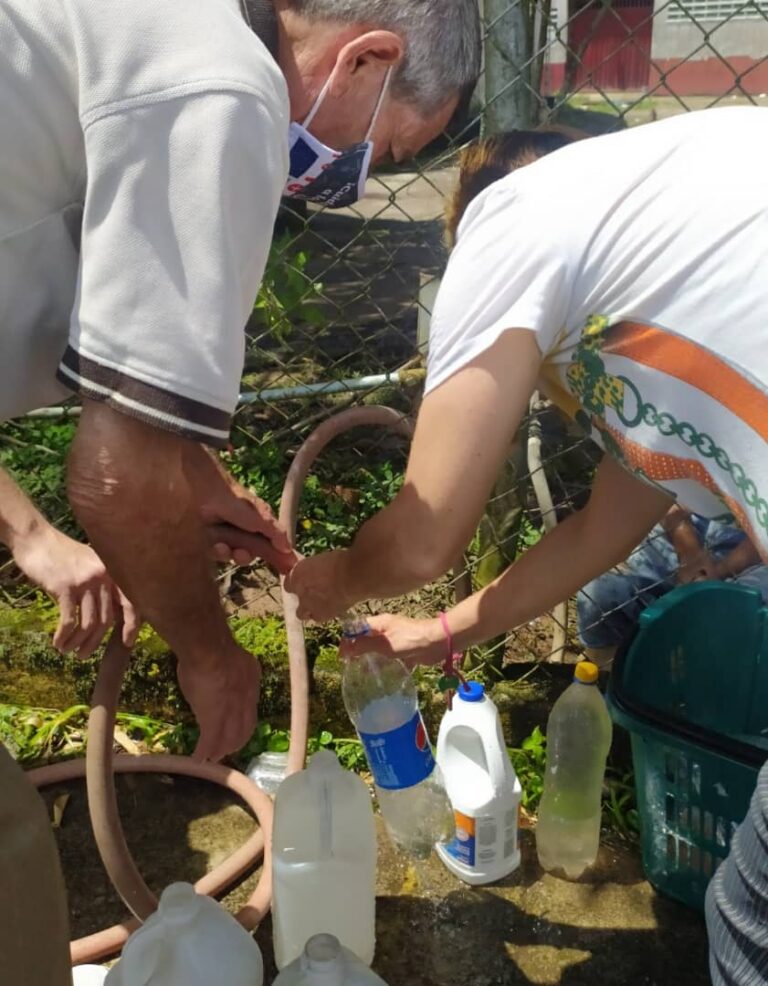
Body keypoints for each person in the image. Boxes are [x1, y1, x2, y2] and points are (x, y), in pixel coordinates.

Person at [0, 1, 481, 981]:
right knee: (15, 868)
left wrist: (196, 476)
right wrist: (211, 654)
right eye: (390, 146)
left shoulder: (153, 28)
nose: (368, 172)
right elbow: (115, 474)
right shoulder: (226, 86)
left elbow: (125, 390)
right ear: (366, 59)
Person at [286, 110, 768, 984]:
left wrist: (336, 580)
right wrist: (442, 634)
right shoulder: (669, 282)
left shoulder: (509, 220)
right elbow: (598, 530)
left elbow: (426, 533)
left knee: (751, 928)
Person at [578, 505, 768, 667]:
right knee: (599, 594)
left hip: (757, 554)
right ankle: (604, 675)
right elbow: (663, 491)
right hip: (681, 530)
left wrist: (721, 570)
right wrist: (689, 552)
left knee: (733, 618)